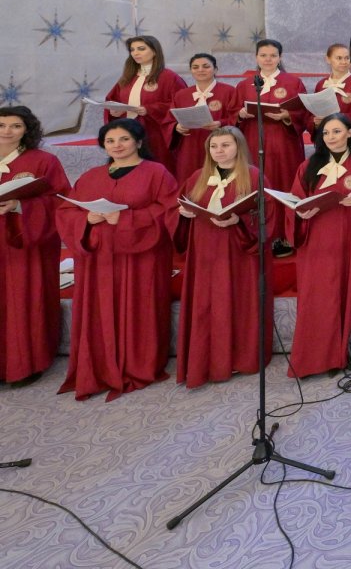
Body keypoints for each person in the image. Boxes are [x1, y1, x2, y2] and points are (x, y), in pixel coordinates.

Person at [57, 119, 179, 401]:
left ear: (138, 142)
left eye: (124, 139)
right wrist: (86, 218)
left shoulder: (156, 173)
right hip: (99, 259)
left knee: (138, 308)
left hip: (140, 260)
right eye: (110, 141)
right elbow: (66, 211)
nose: (117, 146)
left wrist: (127, 219)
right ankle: (98, 364)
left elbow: (168, 211)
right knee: (99, 311)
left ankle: (138, 364)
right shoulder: (90, 177)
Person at [287, 113, 351, 379]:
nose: (330, 137)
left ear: (350, 133)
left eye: (337, 131)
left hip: (345, 241)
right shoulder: (308, 165)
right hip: (314, 239)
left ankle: (334, 357)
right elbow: (295, 199)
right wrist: (299, 213)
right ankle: (307, 359)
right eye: (326, 133)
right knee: (312, 298)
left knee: (340, 295)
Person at [174, 127, 271, 388]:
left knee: (236, 300)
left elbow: (267, 215)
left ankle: (239, 357)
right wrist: (182, 215)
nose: (219, 151)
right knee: (206, 303)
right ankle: (205, 356)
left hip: (238, 252)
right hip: (204, 250)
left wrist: (240, 219)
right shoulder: (198, 176)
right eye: (214, 146)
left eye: (226, 145)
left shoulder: (253, 175)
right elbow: (177, 207)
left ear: (238, 146)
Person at [0, 106, 70, 386]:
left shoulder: (43, 161)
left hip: (26, 244)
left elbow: (62, 201)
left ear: (27, 129)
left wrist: (20, 206)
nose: (7, 131)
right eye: (2, 125)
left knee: (25, 301)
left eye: (15, 126)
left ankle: (27, 364)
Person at [235, 39, 308, 258]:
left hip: (283, 143)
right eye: (263, 55)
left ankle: (284, 236)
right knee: (254, 186)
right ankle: (256, 234)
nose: (268, 59)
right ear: (256, 57)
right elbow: (231, 113)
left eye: (273, 55)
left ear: (280, 57)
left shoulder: (293, 82)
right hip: (252, 140)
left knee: (283, 184)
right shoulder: (244, 85)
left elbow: (304, 112)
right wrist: (240, 114)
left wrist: (288, 116)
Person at [104, 35, 187, 173]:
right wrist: (115, 111)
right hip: (129, 132)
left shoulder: (169, 77)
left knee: (157, 167)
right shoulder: (127, 77)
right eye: (132, 50)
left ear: (154, 51)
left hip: (155, 132)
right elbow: (113, 99)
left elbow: (181, 103)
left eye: (141, 49)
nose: (135, 53)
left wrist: (150, 109)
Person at [169, 52, 240, 185]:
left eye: (206, 66)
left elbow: (237, 117)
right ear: (191, 70)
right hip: (189, 147)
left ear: (215, 69)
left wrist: (221, 123)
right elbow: (169, 120)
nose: (200, 70)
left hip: (219, 146)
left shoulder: (229, 91)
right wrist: (176, 127)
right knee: (190, 182)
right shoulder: (181, 95)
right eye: (195, 67)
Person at [315, 43, 351, 131]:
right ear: (328, 59)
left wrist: (338, 118)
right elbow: (312, 113)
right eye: (339, 58)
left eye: (347, 58)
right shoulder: (321, 84)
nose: (344, 62)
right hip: (326, 137)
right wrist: (315, 121)